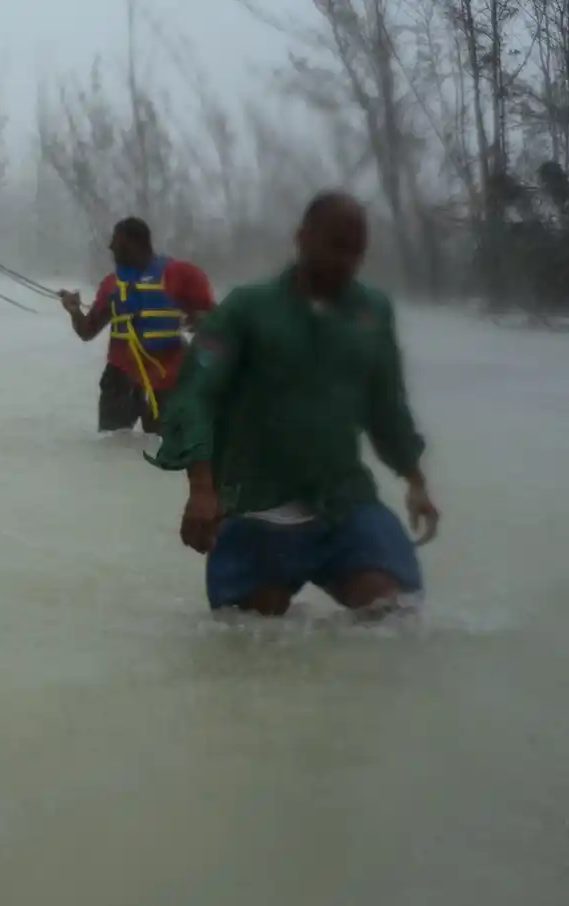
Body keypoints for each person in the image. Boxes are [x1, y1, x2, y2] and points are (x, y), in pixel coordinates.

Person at [148, 191, 441, 617]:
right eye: (335, 246)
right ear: (301, 238)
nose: (346, 261)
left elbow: (386, 408)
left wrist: (415, 481)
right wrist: (201, 489)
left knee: (396, 616)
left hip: (343, 506)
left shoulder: (371, 313)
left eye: (356, 251)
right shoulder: (246, 310)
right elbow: (194, 396)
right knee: (256, 646)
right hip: (257, 511)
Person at [57, 217, 214, 434]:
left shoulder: (181, 274)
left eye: (116, 241)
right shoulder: (111, 285)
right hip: (121, 376)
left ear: (135, 243)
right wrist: (74, 311)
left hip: (169, 376)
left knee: (167, 453)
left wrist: (203, 321)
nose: (110, 247)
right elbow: (87, 331)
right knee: (113, 447)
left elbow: (215, 318)